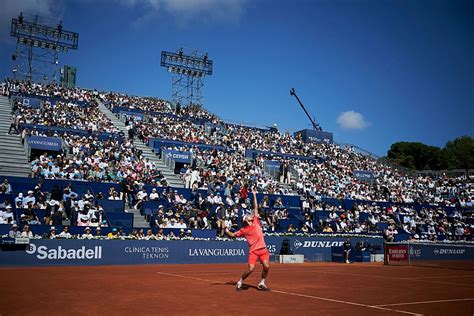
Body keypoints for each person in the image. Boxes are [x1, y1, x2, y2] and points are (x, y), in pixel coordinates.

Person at [225, 187, 270, 291]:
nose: (251, 216)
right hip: (253, 251)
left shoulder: (256, 221)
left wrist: (254, 194)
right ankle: (240, 281)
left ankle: (262, 283)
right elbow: (232, 235)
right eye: (248, 216)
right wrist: (226, 231)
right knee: (250, 269)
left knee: (266, 267)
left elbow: (256, 207)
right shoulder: (243, 230)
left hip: (263, 249)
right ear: (246, 220)